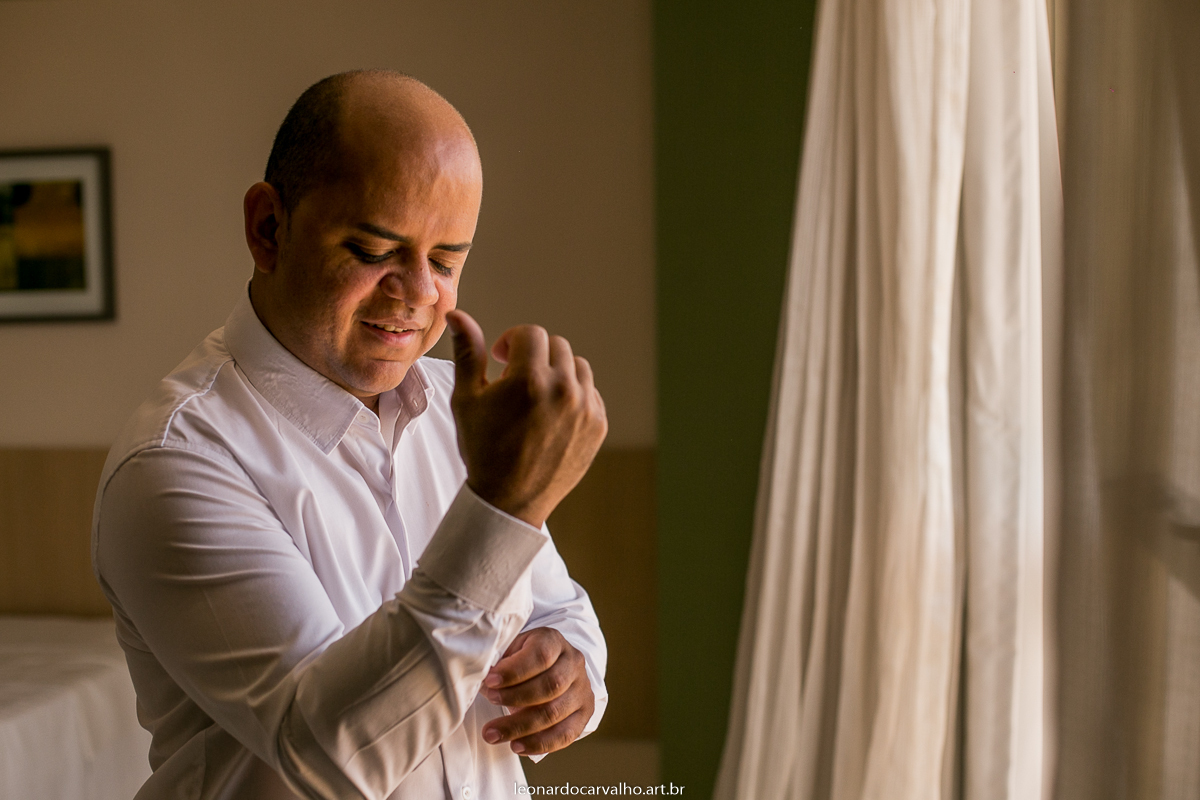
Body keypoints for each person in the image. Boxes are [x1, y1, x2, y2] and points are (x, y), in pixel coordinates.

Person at [91, 69, 609, 799]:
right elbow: (327, 754)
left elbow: (552, 603)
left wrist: (572, 669)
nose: (419, 293)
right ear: (268, 229)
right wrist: (504, 508)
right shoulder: (174, 462)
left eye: (446, 260)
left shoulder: (464, 411)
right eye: (372, 251)